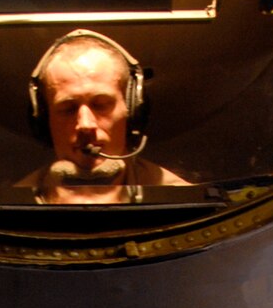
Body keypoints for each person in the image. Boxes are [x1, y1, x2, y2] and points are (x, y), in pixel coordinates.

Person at [19, 31, 189, 204]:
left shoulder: (183, 202)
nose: (85, 124)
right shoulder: (11, 207)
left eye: (101, 105)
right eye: (68, 109)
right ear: (44, 120)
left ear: (133, 111)